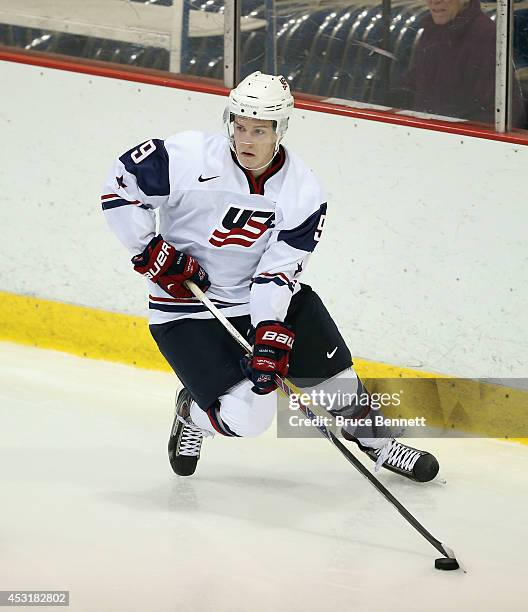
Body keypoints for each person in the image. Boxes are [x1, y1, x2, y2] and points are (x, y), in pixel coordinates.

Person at [101, 71, 439, 482]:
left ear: (280, 129)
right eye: (239, 126)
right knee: (249, 417)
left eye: (258, 131)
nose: (245, 140)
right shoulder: (186, 155)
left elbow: (276, 272)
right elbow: (120, 187)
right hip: (186, 307)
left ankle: (380, 445)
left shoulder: (302, 191)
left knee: (336, 387)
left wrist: (268, 331)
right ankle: (191, 411)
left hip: (264, 297)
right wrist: (148, 247)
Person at [394, 0, 525, 126]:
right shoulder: (431, 30)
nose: (435, 1)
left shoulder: (484, 36)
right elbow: (415, 81)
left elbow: (500, 111)